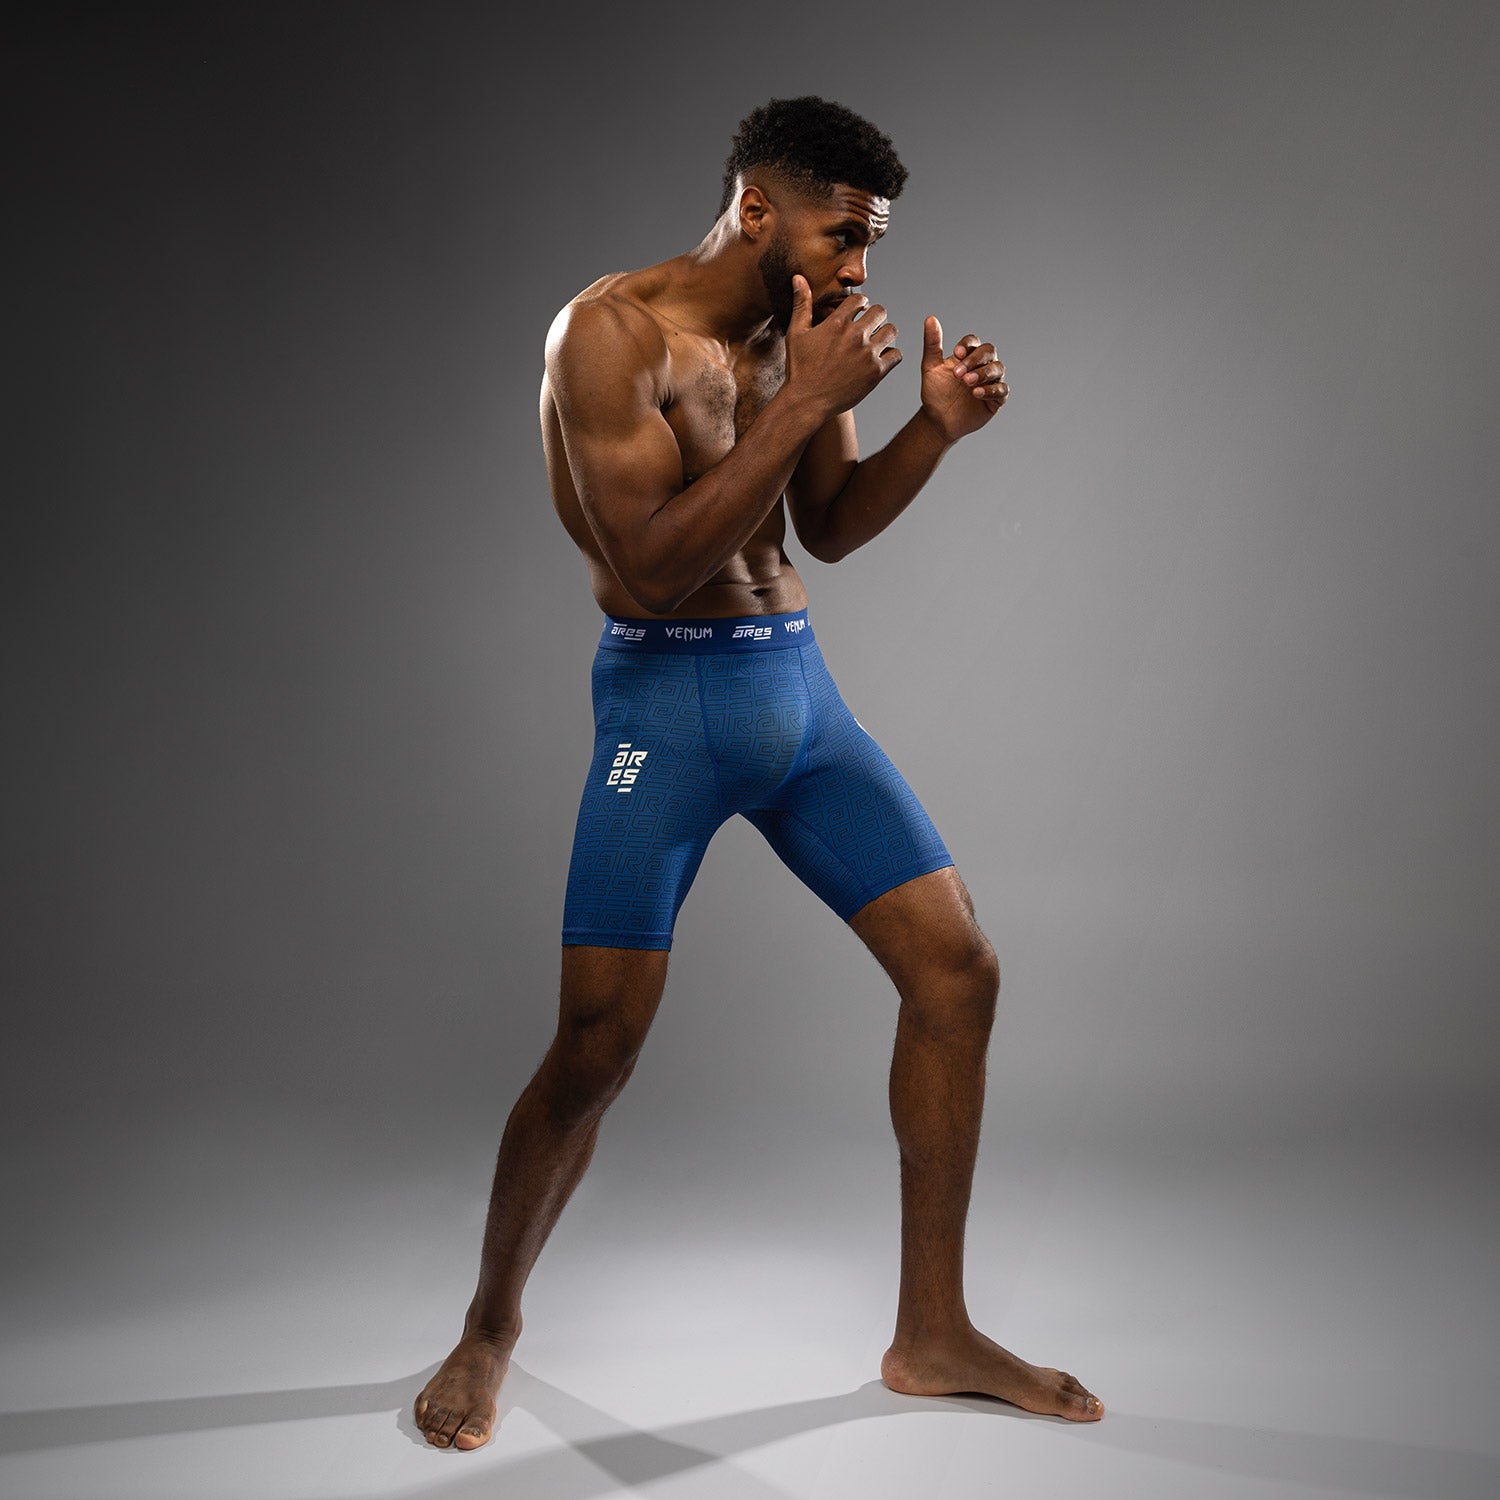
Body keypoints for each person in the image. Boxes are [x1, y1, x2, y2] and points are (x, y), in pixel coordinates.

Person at [414, 95, 1102, 1451]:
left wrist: (932, 430)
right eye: (846, 234)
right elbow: (651, 569)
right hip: (659, 716)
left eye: (873, 240)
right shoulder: (607, 335)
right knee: (597, 1046)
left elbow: (826, 528)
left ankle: (932, 1331)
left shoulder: (795, 332)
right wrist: (810, 401)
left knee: (958, 973)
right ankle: (488, 1329)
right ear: (756, 208)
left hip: (796, 700)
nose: (862, 266)